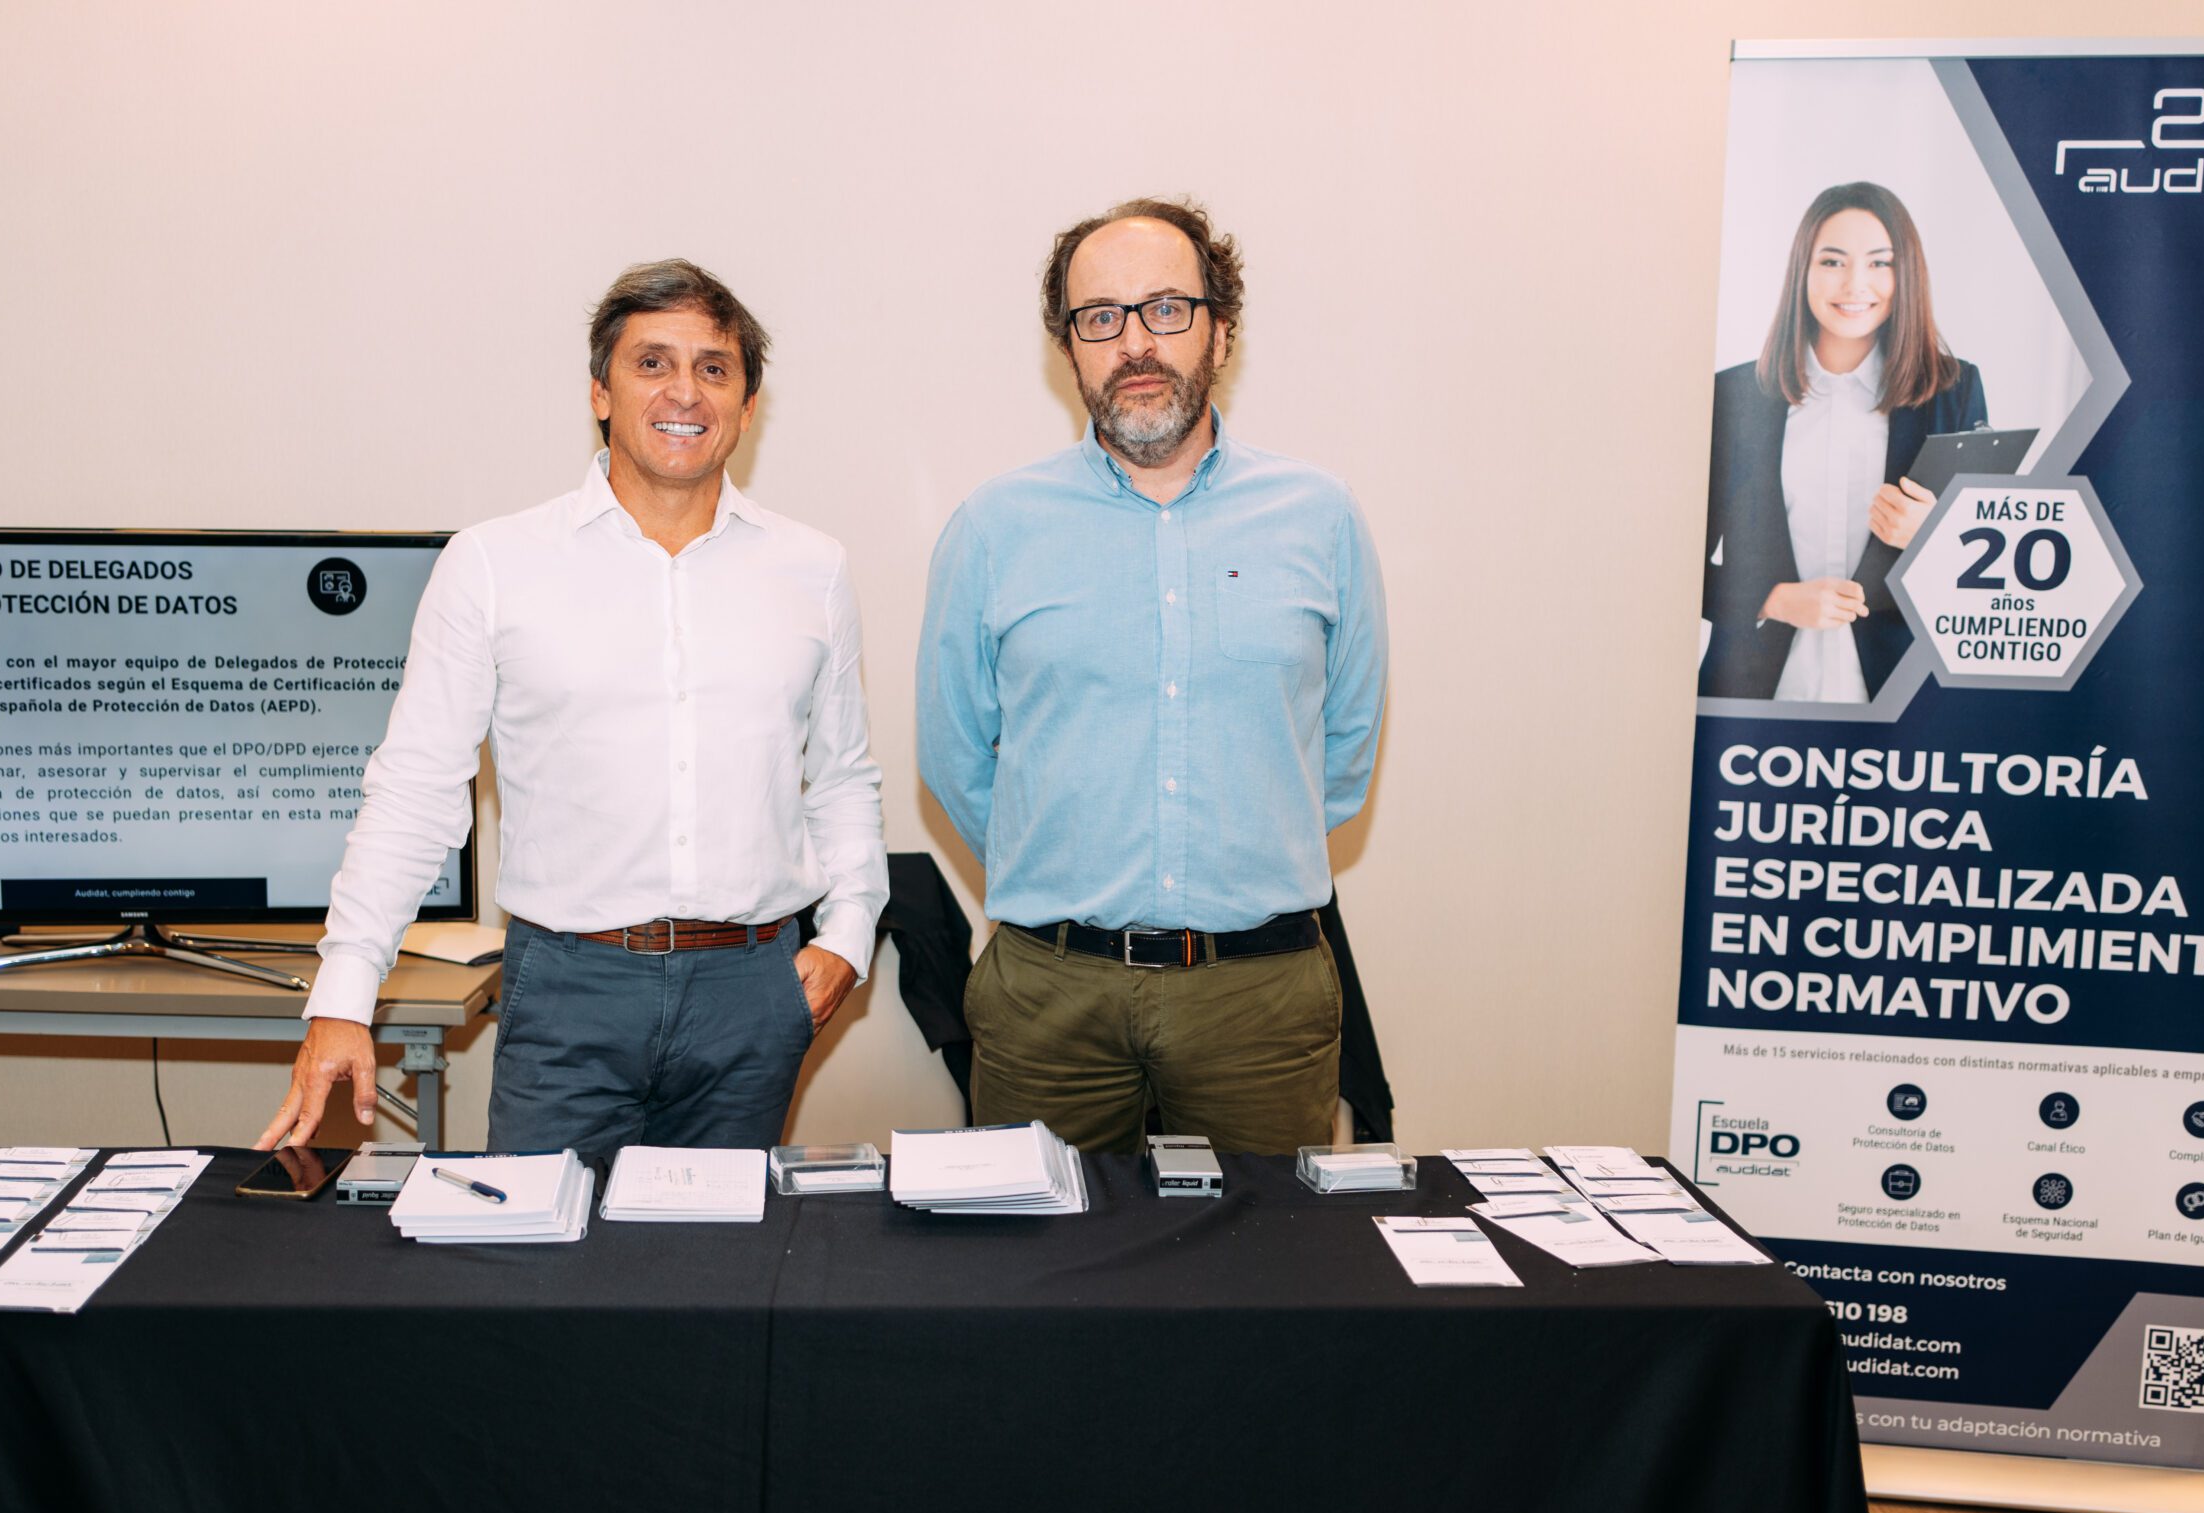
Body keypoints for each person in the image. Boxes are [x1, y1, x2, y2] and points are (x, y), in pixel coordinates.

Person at [258, 260, 885, 1160]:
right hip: (570, 985)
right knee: (538, 1276)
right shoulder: (493, 563)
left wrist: (850, 937)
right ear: (599, 390)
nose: (685, 391)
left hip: (753, 991)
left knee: (717, 1283)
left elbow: (844, 774)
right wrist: (344, 993)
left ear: (749, 406)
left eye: (715, 369)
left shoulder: (812, 568)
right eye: (652, 363)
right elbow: (415, 790)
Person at [917, 196, 1388, 1155]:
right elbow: (956, 757)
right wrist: (1059, 863)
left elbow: (1341, 754)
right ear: (1070, 346)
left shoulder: (1321, 517)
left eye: (1166, 308)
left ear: (1222, 328)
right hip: (1049, 995)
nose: (1136, 342)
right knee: (1038, 1284)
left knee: (1261, 1282)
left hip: (1259, 993)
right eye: (1102, 317)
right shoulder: (993, 527)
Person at [1698, 182, 1989, 703]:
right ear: (1802, 272)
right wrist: (1772, 600)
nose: (1856, 284)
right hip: (1752, 700)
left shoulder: (1953, 391)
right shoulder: (1733, 395)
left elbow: (1994, 572)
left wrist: (1936, 532)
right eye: (1832, 262)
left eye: (1881, 263)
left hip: (1903, 703)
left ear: (1907, 276)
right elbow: (1673, 563)